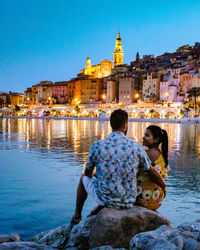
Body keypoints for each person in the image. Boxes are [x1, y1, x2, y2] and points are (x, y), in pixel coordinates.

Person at [71, 109, 166, 224]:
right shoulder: (136, 147)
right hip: (128, 200)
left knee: (82, 178)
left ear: (111, 124)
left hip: (105, 200)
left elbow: (87, 174)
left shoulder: (97, 146)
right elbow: (151, 171)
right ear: (125, 125)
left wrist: (101, 174)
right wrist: (163, 185)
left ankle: (77, 216)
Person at [137, 125, 169, 210]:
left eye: (147, 135)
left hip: (147, 198)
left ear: (156, 140)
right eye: (144, 134)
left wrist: (163, 186)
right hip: (157, 197)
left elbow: (153, 174)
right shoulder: (160, 153)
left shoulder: (148, 153)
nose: (143, 137)